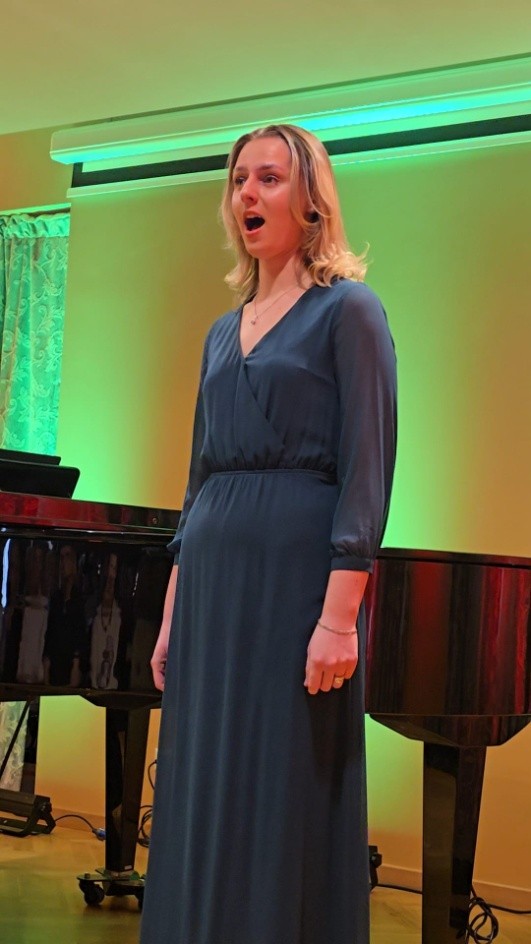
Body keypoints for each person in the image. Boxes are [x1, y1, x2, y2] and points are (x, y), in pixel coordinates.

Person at [140, 123, 397, 944]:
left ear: (310, 201)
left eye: (269, 178)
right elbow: (198, 482)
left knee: (282, 781)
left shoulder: (348, 310)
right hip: (211, 589)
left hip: (294, 584)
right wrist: (173, 612)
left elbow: (367, 468)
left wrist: (338, 618)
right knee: (202, 777)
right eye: (238, 179)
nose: (247, 193)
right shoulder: (222, 332)